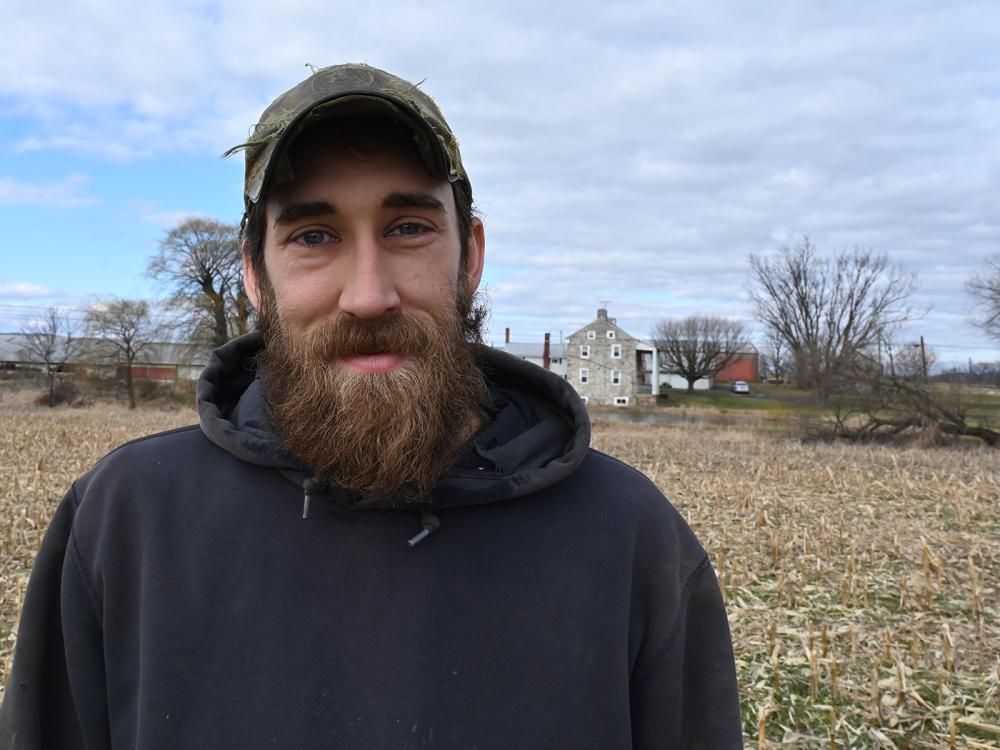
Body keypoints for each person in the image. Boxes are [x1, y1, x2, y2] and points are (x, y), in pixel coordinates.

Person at [0, 64, 742, 748]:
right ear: (256, 276)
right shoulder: (124, 521)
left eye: (409, 228)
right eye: (314, 235)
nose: (368, 293)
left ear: (471, 257)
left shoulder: (630, 539)